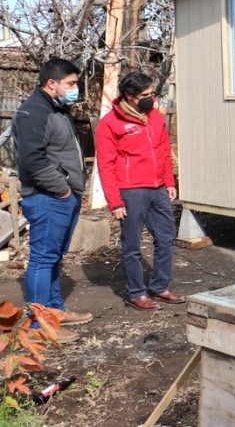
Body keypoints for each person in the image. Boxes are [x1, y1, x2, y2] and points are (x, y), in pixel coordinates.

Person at [13, 57, 92, 343]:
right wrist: (62, 189)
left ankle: (55, 311)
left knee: (54, 256)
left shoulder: (57, 108)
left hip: (63, 195)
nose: (75, 88)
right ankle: (37, 328)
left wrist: (72, 190)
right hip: (48, 197)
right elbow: (32, 159)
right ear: (52, 83)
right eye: (71, 83)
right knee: (42, 259)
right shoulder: (33, 112)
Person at [95, 72, 185, 310]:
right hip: (131, 191)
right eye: (145, 95)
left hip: (158, 189)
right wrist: (114, 201)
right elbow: (105, 165)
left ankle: (160, 287)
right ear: (129, 96)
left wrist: (169, 181)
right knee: (132, 244)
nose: (151, 98)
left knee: (166, 238)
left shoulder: (154, 117)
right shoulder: (110, 123)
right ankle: (136, 293)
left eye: (151, 93)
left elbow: (164, 150)